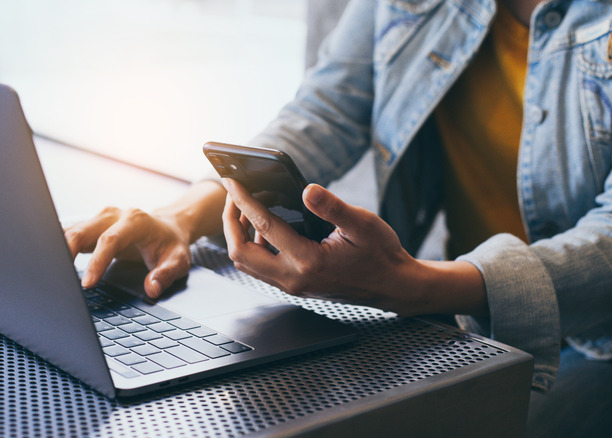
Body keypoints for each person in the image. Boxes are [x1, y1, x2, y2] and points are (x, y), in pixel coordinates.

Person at [64, 0, 612, 434]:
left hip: (596, 338)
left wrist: (409, 285)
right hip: (466, 305)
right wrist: (182, 215)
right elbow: (328, 108)